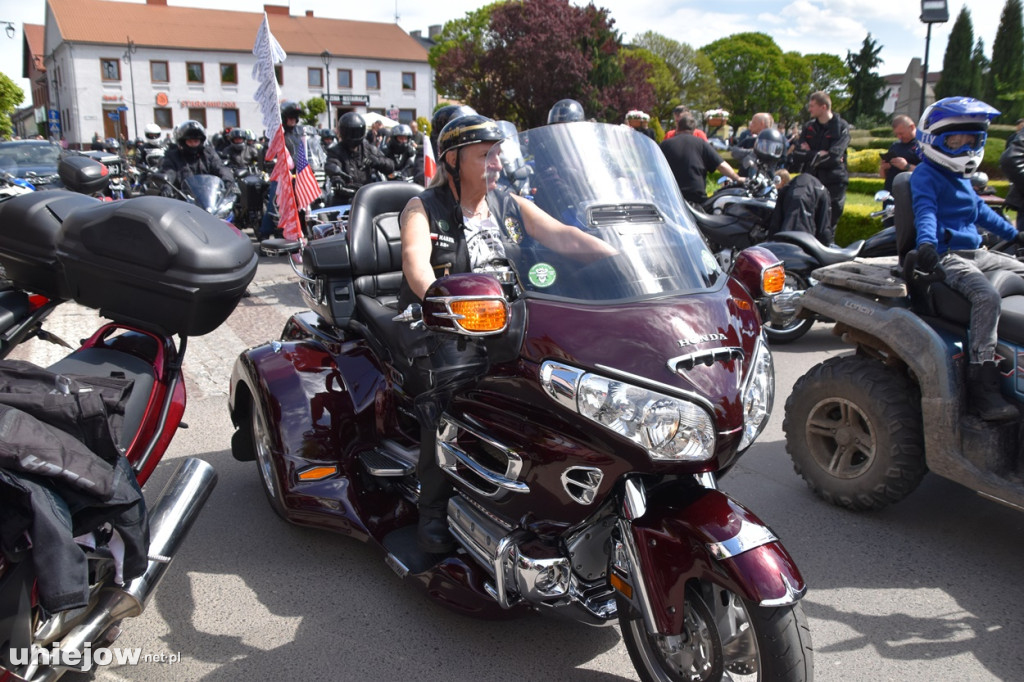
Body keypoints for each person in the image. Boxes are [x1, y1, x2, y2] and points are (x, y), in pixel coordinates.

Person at [397, 114, 616, 552]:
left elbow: (565, 236)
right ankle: (433, 510)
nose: (496, 163)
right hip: (451, 323)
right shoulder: (424, 208)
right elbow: (414, 262)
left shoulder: (509, 204)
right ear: (454, 159)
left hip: (514, 321)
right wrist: (443, 302)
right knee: (445, 403)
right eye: (486, 155)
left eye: (499, 154)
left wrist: (620, 257)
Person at [911, 96, 1024, 422]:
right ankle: (982, 382)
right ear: (935, 141)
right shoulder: (926, 176)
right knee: (986, 297)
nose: (965, 148)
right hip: (947, 255)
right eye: (956, 141)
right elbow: (926, 212)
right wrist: (928, 245)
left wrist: (1015, 235)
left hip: (979, 253)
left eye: (971, 141)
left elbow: (982, 213)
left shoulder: (960, 178)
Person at [791, 91, 850, 233]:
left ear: (823, 107)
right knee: (807, 222)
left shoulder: (841, 127)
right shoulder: (809, 127)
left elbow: (835, 157)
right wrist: (819, 154)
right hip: (812, 180)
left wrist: (809, 154)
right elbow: (797, 154)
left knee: (828, 225)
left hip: (833, 182)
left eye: (812, 106)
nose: (809, 109)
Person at [659, 112, 742, 207]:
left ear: (677, 128)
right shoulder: (701, 144)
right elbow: (722, 165)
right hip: (696, 198)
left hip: (670, 197)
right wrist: (738, 178)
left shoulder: (664, 145)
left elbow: (651, 168)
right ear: (694, 130)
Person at [258, 102, 305, 240]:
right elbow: (268, 153)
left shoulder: (299, 133)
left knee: (304, 203)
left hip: (298, 175)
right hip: (281, 177)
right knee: (275, 203)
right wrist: (272, 163)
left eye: (295, 117)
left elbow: (306, 152)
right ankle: (264, 234)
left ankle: (302, 233)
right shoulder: (276, 133)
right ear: (284, 117)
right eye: (290, 116)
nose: (292, 119)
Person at [159, 119, 238, 196]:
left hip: (209, 198)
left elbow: (220, 167)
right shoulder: (173, 156)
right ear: (182, 142)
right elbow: (168, 172)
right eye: (190, 141)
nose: (193, 144)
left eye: (196, 141)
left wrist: (229, 182)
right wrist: (166, 187)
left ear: (201, 141)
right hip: (183, 199)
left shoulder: (208, 153)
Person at [324, 112, 394, 198]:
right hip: (345, 195)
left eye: (356, 132)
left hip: (366, 195)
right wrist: (337, 179)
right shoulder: (335, 151)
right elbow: (332, 164)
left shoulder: (369, 149)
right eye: (350, 132)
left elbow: (390, 166)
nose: (353, 136)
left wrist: (377, 162)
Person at [769, 168, 831, 243]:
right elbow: (824, 229)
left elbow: (775, 223)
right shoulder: (821, 189)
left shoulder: (788, 188)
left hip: (785, 239)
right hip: (807, 242)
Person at [879, 114, 922, 192]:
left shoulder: (922, 145)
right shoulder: (895, 145)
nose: (899, 137)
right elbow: (883, 176)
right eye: (896, 134)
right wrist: (883, 168)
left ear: (912, 127)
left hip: (910, 193)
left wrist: (906, 166)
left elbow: (927, 174)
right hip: (891, 192)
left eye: (901, 133)